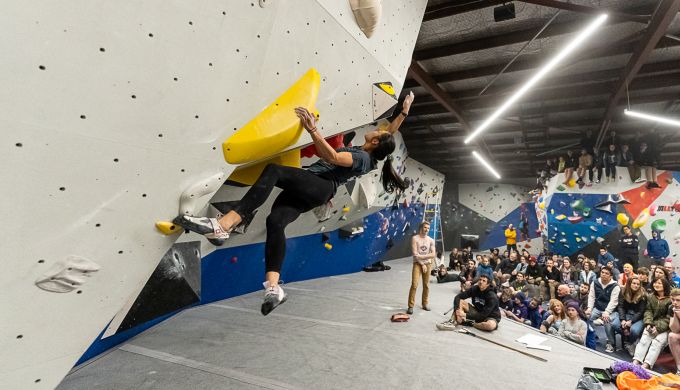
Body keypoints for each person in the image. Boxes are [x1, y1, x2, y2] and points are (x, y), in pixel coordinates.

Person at [175, 97, 413, 315]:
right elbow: (388, 133)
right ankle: (273, 288)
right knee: (275, 222)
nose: (379, 129)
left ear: (374, 141)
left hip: (319, 184)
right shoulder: (371, 153)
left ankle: (225, 224)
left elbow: (332, 157)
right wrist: (403, 112)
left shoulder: (362, 157)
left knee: (275, 171)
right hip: (315, 192)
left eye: (379, 133)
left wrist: (312, 129)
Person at [632, 277, 672, 369]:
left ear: (665, 286)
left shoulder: (670, 299)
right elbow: (648, 311)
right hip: (652, 324)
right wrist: (648, 323)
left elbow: (669, 317)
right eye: (655, 283)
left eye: (659, 283)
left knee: (657, 342)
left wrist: (658, 328)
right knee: (645, 338)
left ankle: (646, 365)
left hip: (666, 328)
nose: (656, 285)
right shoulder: (651, 297)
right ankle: (636, 361)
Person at [586, 267, 621, 353]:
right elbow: (591, 296)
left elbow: (614, 301)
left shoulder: (615, 286)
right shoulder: (595, 282)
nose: (604, 275)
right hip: (597, 308)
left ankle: (611, 343)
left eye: (606, 273)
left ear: (611, 276)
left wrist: (607, 312)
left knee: (606, 320)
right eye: (602, 272)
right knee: (587, 317)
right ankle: (592, 335)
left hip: (612, 311)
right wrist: (589, 308)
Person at [407, 221, 436, 314]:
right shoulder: (415, 238)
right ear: (421, 228)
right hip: (417, 264)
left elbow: (433, 254)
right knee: (414, 284)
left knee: (426, 285)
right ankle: (410, 306)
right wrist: (422, 263)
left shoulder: (431, 240)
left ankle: (425, 304)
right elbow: (415, 254)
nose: (427, 229)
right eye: (425, 227)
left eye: (428, 228)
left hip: (428, 264)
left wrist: (422, 258)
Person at [614, 276, 647, 355]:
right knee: (615, 325)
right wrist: (622, 320)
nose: (636, 285)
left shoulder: (643, 295)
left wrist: (631, 321)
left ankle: (630, 343)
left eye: (638, 284)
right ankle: (625, 338)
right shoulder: (623, 291)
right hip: (626, 314)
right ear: (629, 284)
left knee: (634, 331)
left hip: (638, 317)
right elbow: (621, 306)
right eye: (634, 283)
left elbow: (641, 312)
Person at [668, 288, 680, 376]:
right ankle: (679, 367)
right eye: (673, 300)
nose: (675, 302)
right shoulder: (671, 308)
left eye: (678, 300)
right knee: (672, 336)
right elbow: (674, 329)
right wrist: (676, 315)